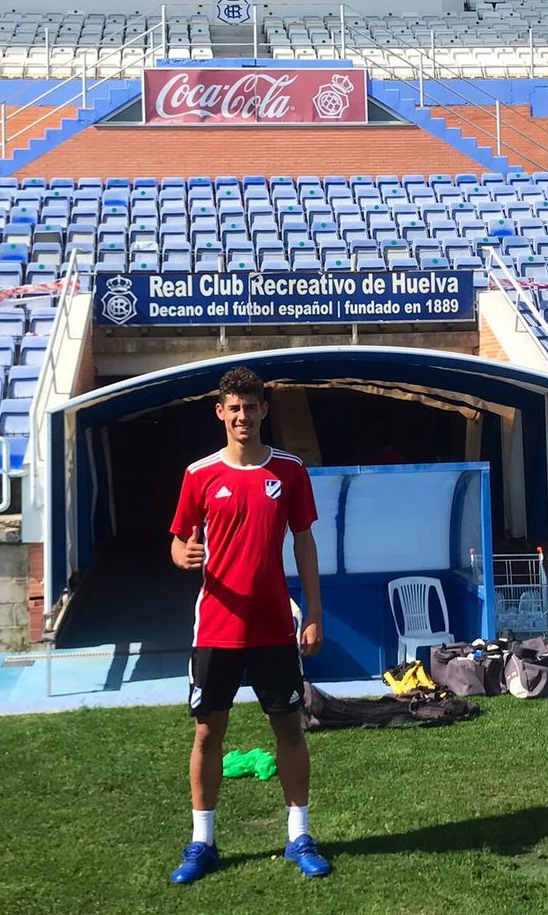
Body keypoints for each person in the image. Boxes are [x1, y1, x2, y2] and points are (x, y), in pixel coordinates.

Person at [167, 366, 330, 885]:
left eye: (251, 407)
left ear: (264, 411)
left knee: (289, 730)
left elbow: (304, 541)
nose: (242, 416)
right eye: (233, 408)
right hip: (215, 627)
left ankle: (299, 835)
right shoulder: (199, 474)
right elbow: (177, 540)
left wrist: (315, 613)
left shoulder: (289, 471)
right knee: (207, 733)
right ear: (221, 412)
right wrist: (182, 554)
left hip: (274, 627)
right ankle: (202, 843)